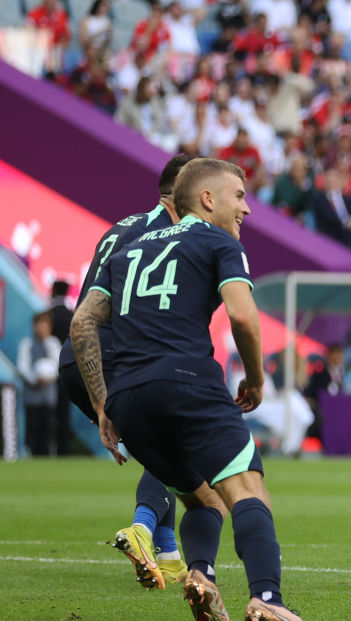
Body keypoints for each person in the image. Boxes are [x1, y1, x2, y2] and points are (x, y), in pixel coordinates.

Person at [69, 158, 325, 621]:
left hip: (127, 399)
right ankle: (269, 599)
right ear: (208, 199)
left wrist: (103, 405)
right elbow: (244, 318)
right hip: (187, 382)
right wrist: (255, 379)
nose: (247, 209)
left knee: (204, 499)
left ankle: (201, 575)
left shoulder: (128, 251)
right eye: (240, 196)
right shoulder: (216, 241)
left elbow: (82, 322)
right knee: (247, 489)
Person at [58, 154, 192, 591]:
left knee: (159, 452)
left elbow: (87, 309)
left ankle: (169, 557)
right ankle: (142, 529)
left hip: (77, 356)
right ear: (183, 193)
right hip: (119, 353)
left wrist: (98, 401)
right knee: (176, 442)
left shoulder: (123, 226)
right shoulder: (167, 237)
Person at [18, 312, 61, 456]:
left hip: (48, 393)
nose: (42, 328)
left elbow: (57, 365)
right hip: (31, 393)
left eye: (45, 325)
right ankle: (30, 453)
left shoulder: (53, 343)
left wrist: (48, 377)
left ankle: (48, 454)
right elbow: (22, 367)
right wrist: (35, 379)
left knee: (48, 425)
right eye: (39, 325)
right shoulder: (27, 344)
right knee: (32, 424)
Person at [48, 280, 74, 455]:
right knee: (64, 414)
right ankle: (64, 451)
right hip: (67, 368)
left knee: (46, 413)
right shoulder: (72, 314)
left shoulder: (48, 315)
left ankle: (42, 450)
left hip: (48, 371)